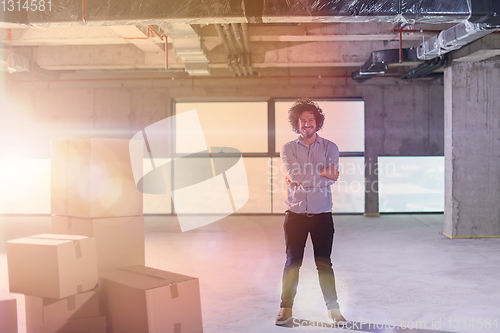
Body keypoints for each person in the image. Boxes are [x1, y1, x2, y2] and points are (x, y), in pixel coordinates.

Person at [274, 98, 347, 326]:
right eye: (302, 121)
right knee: (292, 262)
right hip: (294, 216)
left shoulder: (330, 147)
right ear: (296, 124)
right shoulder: (288, 148)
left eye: (311, 120)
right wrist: (321, 173)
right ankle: (285, 309)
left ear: (318, 122)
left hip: (322, 215)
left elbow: (330, 178)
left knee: (324, 263)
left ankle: (333, 311)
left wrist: (303, 177)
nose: (307, 124)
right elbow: (294, 176)